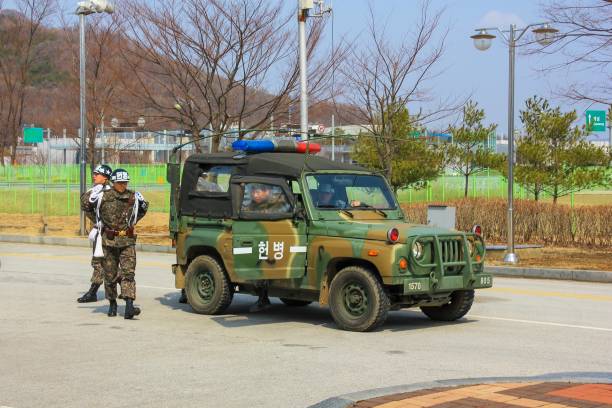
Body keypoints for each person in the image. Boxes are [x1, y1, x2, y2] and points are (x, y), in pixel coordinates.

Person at [87, 168, 148, 319]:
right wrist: (99, 223)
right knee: (110, 275)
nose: (122, 185)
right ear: (113, 182)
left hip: (127, 241)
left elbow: (142, 210)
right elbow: (88, 207)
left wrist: (132, 223)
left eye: (124, 182)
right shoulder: (103, 196)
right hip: (109, 241)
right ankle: (112, 303)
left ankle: (129, 305)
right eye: (119, 182)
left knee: (128, 274)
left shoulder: (134, 196)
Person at [243, 183, 290, 312]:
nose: (254, 194)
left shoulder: (277, 203)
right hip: (259, 240)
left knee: (262, 266)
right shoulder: (251, 205)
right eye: (253, 192)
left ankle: (263, 299)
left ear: (267, 192)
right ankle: (262, 298)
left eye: (258, 192)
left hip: (275, 240)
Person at [77, 164, 112, 303]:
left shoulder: (108, 193)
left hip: (105, 233)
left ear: (105, 177)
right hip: (101, 231)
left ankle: (93, 292)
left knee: (99, 262)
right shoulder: (96, 191)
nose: (94, 175)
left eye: (97, 174)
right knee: (110, 263)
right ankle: (126, 287)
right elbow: (85, 205)